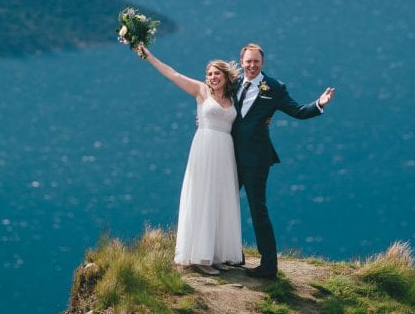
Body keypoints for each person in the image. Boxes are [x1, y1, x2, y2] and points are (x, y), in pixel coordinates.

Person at [133, 44, 244, 276]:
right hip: (204, 148)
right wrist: (148, 55)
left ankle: (217, 254)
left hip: (225, 151)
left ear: (226, 76)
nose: (212, 77)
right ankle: (201, 257)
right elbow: (173, 74)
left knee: (221, 198)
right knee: (203, 196)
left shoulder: (235, 97)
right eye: (210, 74)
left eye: (217, 73)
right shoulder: (201, 91)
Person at [232, 42, 335, 278]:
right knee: (225, 205)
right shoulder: (233, 82)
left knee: (258, 210)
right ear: (241, 62)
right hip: (229, 155)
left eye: (256, 61)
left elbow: (298, 111)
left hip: (257, 159)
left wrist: (319, 104)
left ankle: (269, 266)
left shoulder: (275, 88)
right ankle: (231, 254)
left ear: (262, 63)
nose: (252, 65)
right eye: (248, 61)